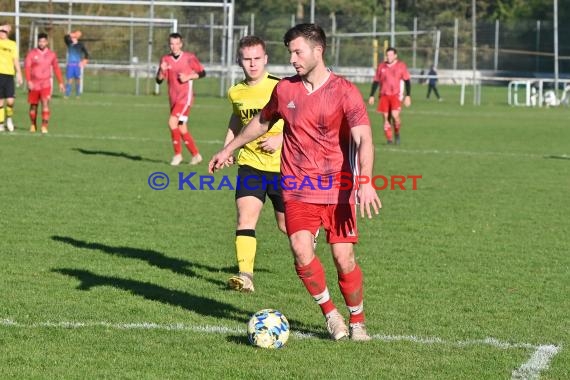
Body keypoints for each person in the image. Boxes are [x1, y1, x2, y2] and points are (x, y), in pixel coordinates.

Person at [209, 24, 382, 341]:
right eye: (290, 52)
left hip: (339, 190)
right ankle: (332, 316)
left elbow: (364, 138)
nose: (292, 59)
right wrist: (228, 149)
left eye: (298, 51)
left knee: (344, 259)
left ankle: (357, 320)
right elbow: (259, 124)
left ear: (319, 50)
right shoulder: (285, 90)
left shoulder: (345, 91)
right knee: (301, 250)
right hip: (298, 189)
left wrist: (366, 181)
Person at [220, 36, 287, 293]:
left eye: (257, 58)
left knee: (286, 226)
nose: (252, 64)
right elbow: (237, 120)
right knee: (245, 218)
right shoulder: (236, 92)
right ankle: (245, 276)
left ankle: (311, 232)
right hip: (250, 165)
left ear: (266, 59)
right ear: (240, 61)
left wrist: (280, 138)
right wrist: (228, 149)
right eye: (247, 59)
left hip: (283, 167)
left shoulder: (281, 88)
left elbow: (301, 121)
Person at [156, 32, 206, 166]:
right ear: (169, 45)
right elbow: (159, 80)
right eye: (172, 44)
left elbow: (202, 73)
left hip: (185, 98)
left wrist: (189, 77)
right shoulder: (165, 59)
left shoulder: (189, 58)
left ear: (181, 44)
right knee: (181, 127)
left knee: (172, 122)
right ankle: (196, 155)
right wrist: (161, 71)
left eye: (177, 43)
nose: (174, 46)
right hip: (173, 98)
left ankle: (177, 155)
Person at [368, 47, 411, 145]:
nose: (389, 57)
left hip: (396, 95)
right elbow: (376, 81)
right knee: (386, 118)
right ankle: (389, 139)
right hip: (384, 95)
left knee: (395, 116)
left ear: (395, 55)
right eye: (387, 55)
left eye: (391, 55)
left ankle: (397, 133)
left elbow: (407, 81)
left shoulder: (401, 66)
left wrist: (408, 95)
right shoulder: (382, 66)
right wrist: (371, 95)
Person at [24, 32, 65, 134]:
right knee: (33, 106)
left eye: (43, 41)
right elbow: (27, 68)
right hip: (34, 84)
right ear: (37, 42)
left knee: (45, 103)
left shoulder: (51, 54)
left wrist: (60, 82)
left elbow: (56, 68)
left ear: (47, 42)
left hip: (46, 83)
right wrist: (28, 81)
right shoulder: (32, 53)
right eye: (39, 41)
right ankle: (33, 124)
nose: (41, 43)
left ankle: (44, 126)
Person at [0, 23, 23, 132]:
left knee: (10, 101)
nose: (2, 33)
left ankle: (9, 118)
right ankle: (0, 124)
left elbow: (15, 60)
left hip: (9, 75)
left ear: (8, 32)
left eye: (4, 31)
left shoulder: (13, 44)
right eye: (0, 30)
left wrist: (19, 73)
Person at [63, 30, 89, 98]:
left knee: (77, 79)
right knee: (69, 79)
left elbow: (86, 53)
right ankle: (67, 94)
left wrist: (84, 61)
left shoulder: (80, 45)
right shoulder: (69, 43)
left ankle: (78, 94)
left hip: (77, 65)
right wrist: (72, 34)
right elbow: (65, 37)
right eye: (76, 34)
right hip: (70, 64)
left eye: (78, 34)